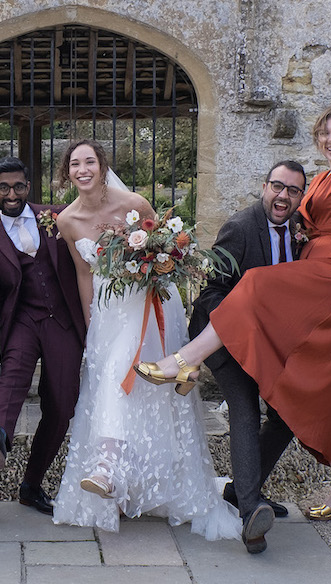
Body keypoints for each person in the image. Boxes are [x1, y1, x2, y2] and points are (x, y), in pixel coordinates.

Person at [142, 35, 331, 522]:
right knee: (322, 384)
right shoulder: (316, 183)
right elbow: (213, 287)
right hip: (311, 282)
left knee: (255, 284)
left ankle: (185, 362)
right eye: (326, 133)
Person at [50, 140, 238, 540]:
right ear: (67, 171)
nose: (82, 169)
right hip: (107, 312)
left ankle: (106, 468)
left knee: (135, 380)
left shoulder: (134, 202)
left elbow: (165, 248)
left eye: (90, 162)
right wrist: (90, 321)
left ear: (102, 166)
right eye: (75, 164)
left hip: (147, 308)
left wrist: (156, 265)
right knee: (118, 383)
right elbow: (85, 273)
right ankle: (125, 481)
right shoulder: (67, 220)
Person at [189, 161, 308, 553]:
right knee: (244, 406)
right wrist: (242, 327)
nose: (283, 196)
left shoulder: (298, 233)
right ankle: (250, 514)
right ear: (264, 186)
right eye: (278, 186)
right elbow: (210, 294)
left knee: (287, 415)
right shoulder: (241, 228)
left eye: (292, 191)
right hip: (222, 338)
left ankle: (244, 491)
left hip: (270, 344)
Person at [0, 157, 87, 515]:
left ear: (28, 187)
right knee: (13, 376)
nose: (11, 194)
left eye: (18, 186)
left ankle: (31, 484)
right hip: (22, 319)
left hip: (63, 320)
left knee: (62, 405)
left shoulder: (57, 216)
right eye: (3, 187)